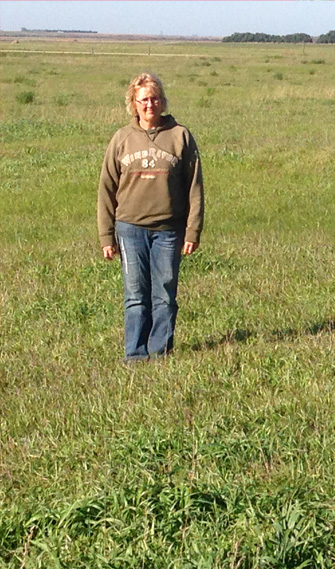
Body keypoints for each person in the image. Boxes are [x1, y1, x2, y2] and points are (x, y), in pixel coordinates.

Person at [97, 72, 204, 362]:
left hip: (169, 231)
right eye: (143, 99)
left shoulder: (180, 136)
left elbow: (194, 186)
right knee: (135, 295)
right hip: (130, 229)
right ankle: (135, 353)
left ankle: (159, 352)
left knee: (165, 294)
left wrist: (192, 231)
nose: (149, 104)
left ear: (162, 101)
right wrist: (107, 235)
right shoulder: (121, 138)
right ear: (134, 102)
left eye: (155, 98)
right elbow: (106, 188)